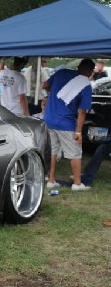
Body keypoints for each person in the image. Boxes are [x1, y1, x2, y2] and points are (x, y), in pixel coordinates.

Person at [43, 58, 95, 191]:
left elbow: (45, 86)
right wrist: (78, 132)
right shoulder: (86, 85)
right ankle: (77, 184)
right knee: (75, 153)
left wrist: (51, 94)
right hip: (66, 123)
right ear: (91, 71)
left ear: (78, 67)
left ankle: (51, 180)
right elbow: (82, 111)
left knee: (53, 151)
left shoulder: (62, 72)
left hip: (49, 118)